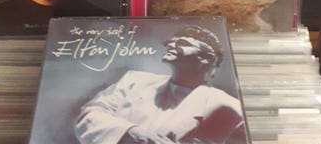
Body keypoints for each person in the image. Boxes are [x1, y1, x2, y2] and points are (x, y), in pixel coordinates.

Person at [75, 26, 246, 144]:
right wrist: (130, 132)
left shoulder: (229, 106)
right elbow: (88, 115)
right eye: (171, 42)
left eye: (183, 43)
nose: (170, 45)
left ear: (207, 58)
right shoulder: (133, 80)